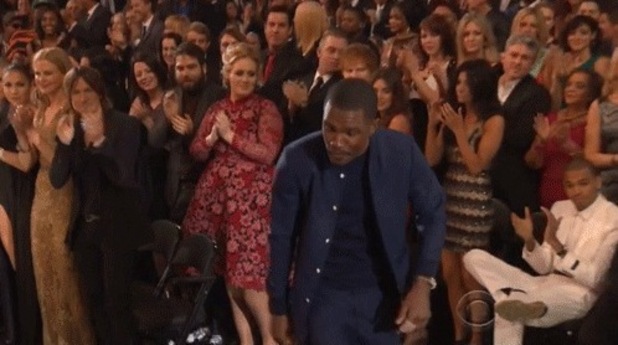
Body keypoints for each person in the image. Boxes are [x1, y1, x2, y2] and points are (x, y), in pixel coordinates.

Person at [268, 79, 446, 345]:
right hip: (322, 296)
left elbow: (433, 212)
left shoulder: (401, 152)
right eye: (329, 128)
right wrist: (278, 307)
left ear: (373, 126)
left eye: (350, 133)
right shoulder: (296, 159)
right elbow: (281, 237)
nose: (336, 141)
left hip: (385, 298)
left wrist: (422, 283)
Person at [183, 42, 283, 345]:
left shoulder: (266, 109)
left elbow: (268, 153)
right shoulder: (217, 108)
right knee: (228, 275)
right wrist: (213, 138)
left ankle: (269, 339)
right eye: (239, 73)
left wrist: (231, 136)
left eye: (251, 74)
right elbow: (197, 151)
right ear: (228, 75)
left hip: (252, 202)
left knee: (250, 276)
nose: (245, 79)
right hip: (219, 200)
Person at [463, 157, 618, 345]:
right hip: (544, 282)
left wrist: (559, 249)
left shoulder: (613, 218)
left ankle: (520, 301)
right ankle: (521, 301)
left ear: (598, 182)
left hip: (580, 292)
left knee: (509, 309)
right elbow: (544, 267)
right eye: (569, 185)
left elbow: (596, 278)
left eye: (582, 184)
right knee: (473, 257)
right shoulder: (560, 208)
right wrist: (529, 241)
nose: (575, 191)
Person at [51, 66, 150, 345]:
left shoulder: (125, 125)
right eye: (76, 92)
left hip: (118, 226)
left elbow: (124, 177)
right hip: (85, 227)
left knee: (116, 303)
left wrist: (100, 143)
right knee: (94, 301)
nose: (82, 98)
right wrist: (64, 144)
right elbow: (58, 179)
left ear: (100, 92)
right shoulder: (70, 127)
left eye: (87, 91)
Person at [425, 59, 504, 345]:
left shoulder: (494, 120)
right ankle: (459, 334)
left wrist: (459, 130)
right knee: (449, 272)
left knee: (472, 273)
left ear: (479, 86)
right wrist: (434, 126)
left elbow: (477, 164)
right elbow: (431, 159)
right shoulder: (454, 114)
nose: (459, 88)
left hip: (475, 200)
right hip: (450, 197)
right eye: (457, 82)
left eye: (465, 83)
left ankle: (478, 335)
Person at [20, 47, 95, 345]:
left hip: (65, 194)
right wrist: (24, 132)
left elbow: (61, 165)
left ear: (63, 72)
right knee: (44, 272)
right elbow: (33, 160)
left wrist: (34, 134)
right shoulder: (40, 107)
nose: (41, 79)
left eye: (47, 73)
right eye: (37, 73)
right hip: (40, 195)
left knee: (66, 273)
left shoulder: (71, 111)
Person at [0, 63, 40, 345]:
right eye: (8, 85)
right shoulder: (5, 113)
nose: (13, 91)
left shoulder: (31, 114)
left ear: (32, 85)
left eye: (19, 84)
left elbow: (28, 163)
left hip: (23, 191)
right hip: (5, 190)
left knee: (23, 263)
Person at [525, 69, 602, 208]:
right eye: (569, 84)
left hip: (577, 191)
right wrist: (541, 141)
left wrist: (567, 145)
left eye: (579, 86)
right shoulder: (551, 118)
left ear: (591, 94)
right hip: (547, 189)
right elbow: (532, 163)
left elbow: (594, 163)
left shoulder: (593, 121)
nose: (571, 89)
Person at [371, 67, 412, 134]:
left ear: (395, 94)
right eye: (375, 91)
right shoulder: (377, 119)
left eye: (386, 91)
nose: (379, 96)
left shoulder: (398, 121)